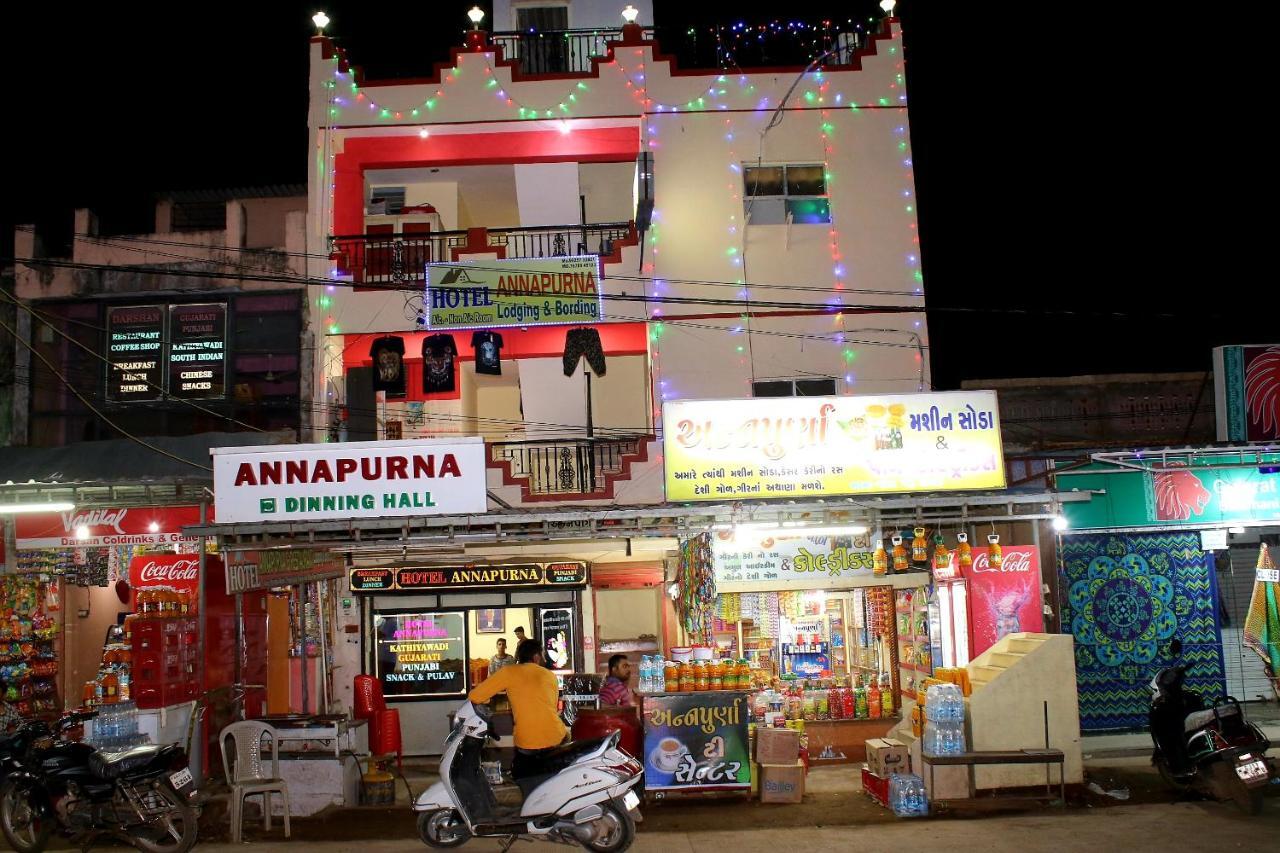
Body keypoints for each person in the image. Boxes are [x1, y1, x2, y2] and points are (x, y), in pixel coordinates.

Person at [468, 638, 567, 779]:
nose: (544, 658)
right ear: (537, 657)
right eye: (543, 655)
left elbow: (475, 696)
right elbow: (551, 705)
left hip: (527, 741)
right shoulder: (549, 675)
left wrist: (487, 699)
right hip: (556, 736)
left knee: (522, 775)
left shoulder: (509, 672)